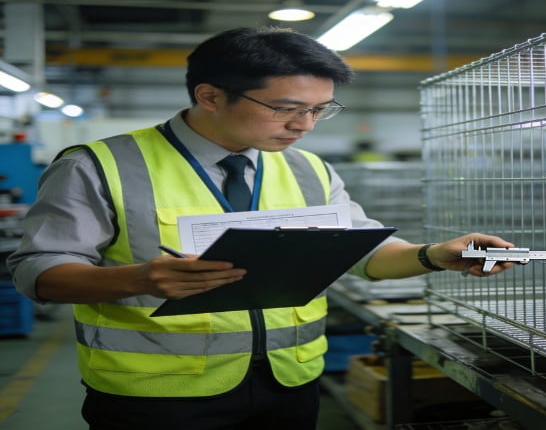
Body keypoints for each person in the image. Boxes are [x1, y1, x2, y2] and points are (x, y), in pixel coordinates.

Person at [6, 26, 515, 430]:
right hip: (158, 394)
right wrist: (137, 279)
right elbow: (40, 271)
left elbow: (363, 252)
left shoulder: (307, 169)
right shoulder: (100, 164)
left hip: (289, 383)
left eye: (319, 110)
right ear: (209, 96)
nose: (304, 125)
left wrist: (433, 254)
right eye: (286, 109)